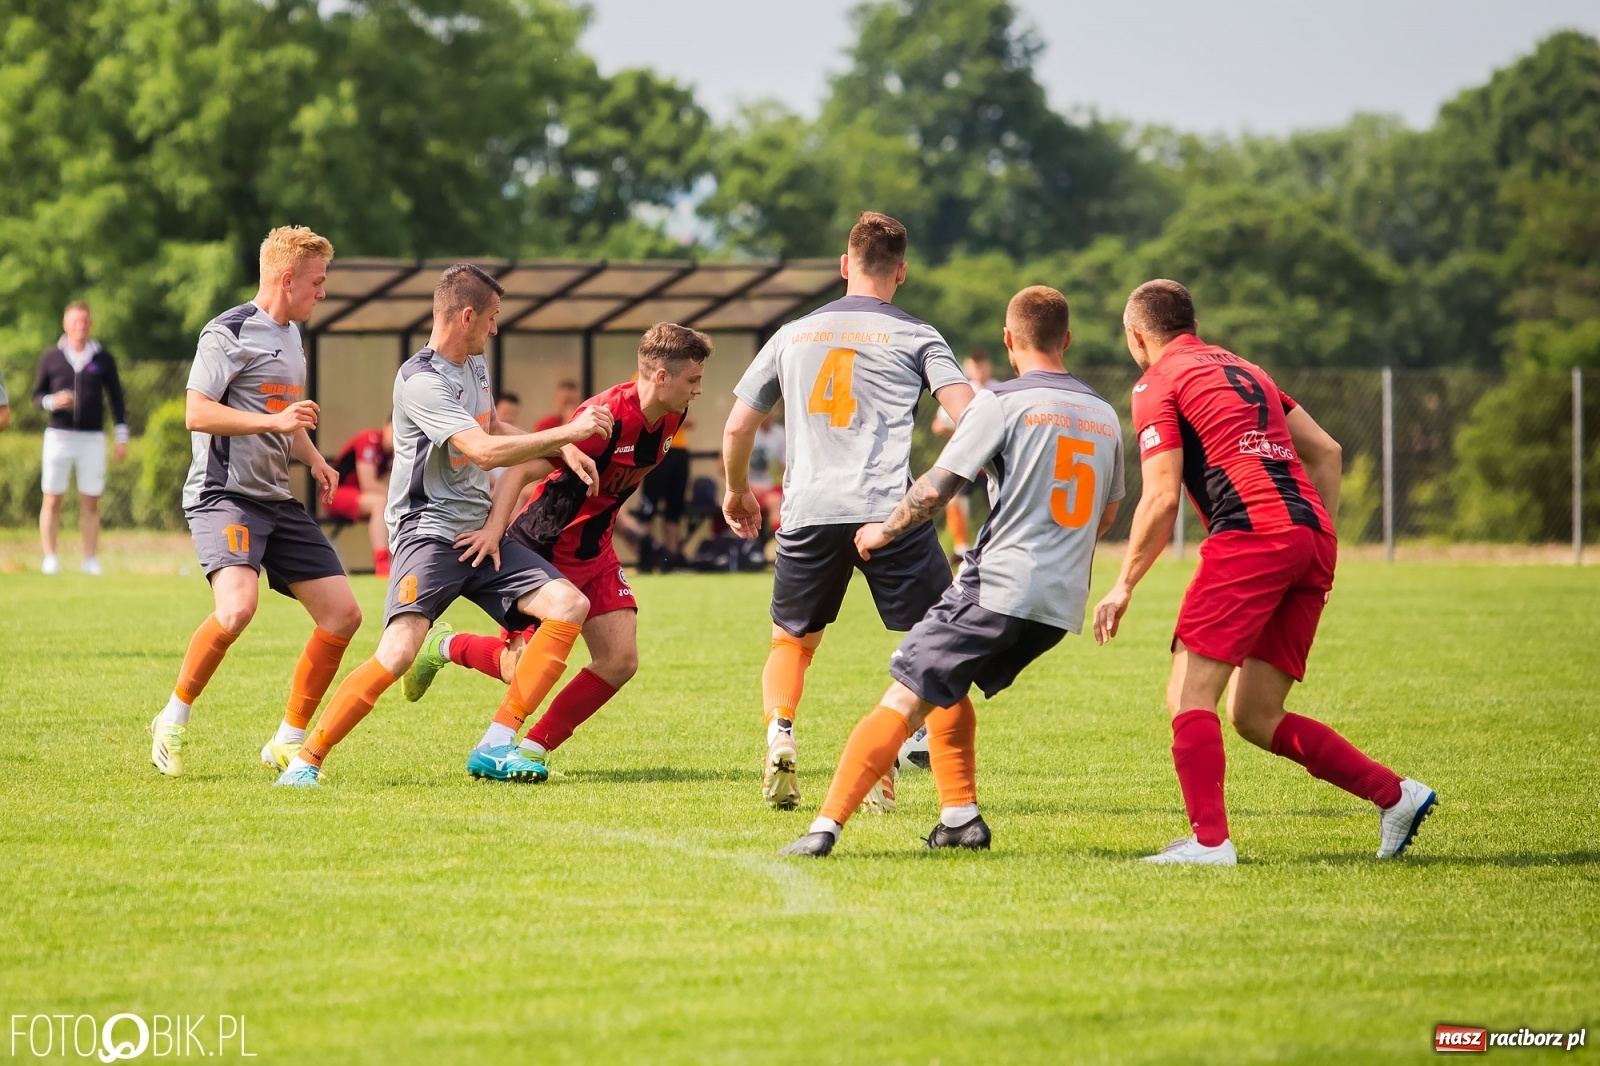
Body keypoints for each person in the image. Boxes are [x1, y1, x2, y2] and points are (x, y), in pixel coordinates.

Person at [1092, 279, 1435, 864]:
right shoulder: (1248, 370)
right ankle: (1395, 795)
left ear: (1137, 336)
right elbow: (1326, 451)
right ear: (1191, 324)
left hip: (1251, 538)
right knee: (1255, 714)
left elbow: (1162, 496)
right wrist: (1310, 536)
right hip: (1312, 539)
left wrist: (1123, 584)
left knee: (1187, 692)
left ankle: (1208, 843)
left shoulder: (1158, 381)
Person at [782, 287, 1124, 856]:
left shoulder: (999, 402)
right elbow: (1106, 514)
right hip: (1059, 604)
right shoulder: (1104, 414)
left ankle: (823, 829)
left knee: (904, 694)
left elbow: (939, 486)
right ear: (1067, 339)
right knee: (945, 685)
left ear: (1008, 340)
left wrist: (882, 531)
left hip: (998, 585)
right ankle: (961, 819)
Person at [274, 263, 614, 787]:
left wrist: (563, 447)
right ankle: (306, 760)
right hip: (427, 535)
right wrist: (568, 430)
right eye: (493, 318)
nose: (496, 330)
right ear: (467, 315)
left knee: (570, 605)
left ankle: (496, 745)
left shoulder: (474, 365)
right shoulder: (420, 380)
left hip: (479, 534)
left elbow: (493, 426)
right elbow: (481, 451)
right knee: (398, 652)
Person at [722, 211, 975, 811]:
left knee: (791, 643)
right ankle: (893, 749)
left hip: (808, 510)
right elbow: (971, 416)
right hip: (892, 513)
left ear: (844, 265)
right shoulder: (918, 335)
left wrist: (737, 490)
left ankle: (780, 731)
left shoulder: (791, 334)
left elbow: (738, 424)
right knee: (932, 642)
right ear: (902, 272)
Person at [400, 324, 711, 770]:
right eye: (693, 380)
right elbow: (522, 469)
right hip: (545, 544)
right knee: (517, 668)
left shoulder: (672, 414)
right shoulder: (602, 420)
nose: (699, 390)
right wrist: (493, 529)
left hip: (595, 548)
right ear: (661, 376)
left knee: (619, 660)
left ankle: (534, 747)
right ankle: (445, 647)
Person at [149, 226, 362, 778]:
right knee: (238, 608)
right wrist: (275, 421)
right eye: (316, 283)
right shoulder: (227, 332)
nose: (323, 293)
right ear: (287, 280)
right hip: (225, 496)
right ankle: (171, 718)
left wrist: (312, 457)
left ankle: (288, 740)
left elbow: (282, 413)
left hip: (275, 498)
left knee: (343, 615)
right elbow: (197, 412)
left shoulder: (292, 335)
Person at [32, 302, 129, 575]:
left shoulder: (102, 358)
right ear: (65, 324)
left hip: (92, 438)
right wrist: (54, 402)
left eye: (84, 321)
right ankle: (50, 556)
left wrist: (122, 436)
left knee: (91, 500)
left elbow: (117, 400)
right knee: (52, 497)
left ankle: (90, 558)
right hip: (58, 436)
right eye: (75, 321)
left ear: (91, 324)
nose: (80, 326)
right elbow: (36, 398)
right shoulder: (51, 357)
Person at [931, 352, 993, 563]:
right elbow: (938, 424)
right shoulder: (963, 391)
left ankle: (995, 544)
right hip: (968, 460)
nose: (978, 371)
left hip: (991, 462)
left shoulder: (997, 388)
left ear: (988, 366)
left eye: (981, 366)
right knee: (956, 501)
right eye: (974, 366)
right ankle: (962, 548)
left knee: (999, 503)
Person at [327, 418, 395, 576]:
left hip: (361, 496)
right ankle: (382, 563)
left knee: (399, 506)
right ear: (385, 426)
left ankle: (398, 561)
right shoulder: (370, 439)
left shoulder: (396, 451)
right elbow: (369, 484)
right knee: (380, 502)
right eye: (394, 428)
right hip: (334, 493)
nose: (397, 434)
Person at [639, 411, 692, 568]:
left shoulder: (680, 393)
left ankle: (672, 557)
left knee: (674, 509)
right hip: (656, 448)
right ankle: (646, 556)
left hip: (678, 452)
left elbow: (690, 421)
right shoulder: (640, 386)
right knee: (648, 510)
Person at [749, 408, 786, 535]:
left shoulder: (780, 434)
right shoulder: (748, 431)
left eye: (774, 410)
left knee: (780, 501)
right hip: (748, 486)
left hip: (770, 487)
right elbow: (724, 467)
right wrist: (745, 487)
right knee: (774, 503)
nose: (771, 414)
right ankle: (776, 540)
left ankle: (776, 542)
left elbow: (785, 467)